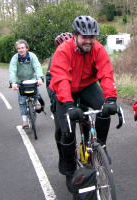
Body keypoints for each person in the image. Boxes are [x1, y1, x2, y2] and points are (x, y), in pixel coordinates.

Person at [49, 16, 118, 193]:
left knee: (104, 108)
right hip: (66, 89)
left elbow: (106, 73)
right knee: (67, 131)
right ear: (75, 36)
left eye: (91, 37)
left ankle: (100, 145)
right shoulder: (63, 51)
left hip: (87, 85)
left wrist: (111, 98)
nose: (88, 41)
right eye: (84, 37)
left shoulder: (98, 49)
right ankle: (70, 169)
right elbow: (61, 78)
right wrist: (70, 106)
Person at [45, 32, 73, 179]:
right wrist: (54, 98)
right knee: (61, 130)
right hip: (60, 96)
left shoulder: (77, 54)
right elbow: (49, 81)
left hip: (75, 94)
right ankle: (63, 156)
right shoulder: (55, 58)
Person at [9, 39, 44, 128]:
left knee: (35, 91)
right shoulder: (15, 58)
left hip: (31, 78)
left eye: (22, 48)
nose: (21, 50)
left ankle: (36, 102)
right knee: (22, 101)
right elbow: (12, 70)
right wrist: (13, 83)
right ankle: (24, 120)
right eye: (18, 48)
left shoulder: (32, 56)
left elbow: (37, 66)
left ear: (26, 48)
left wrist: (39, 78)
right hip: (20, 80)